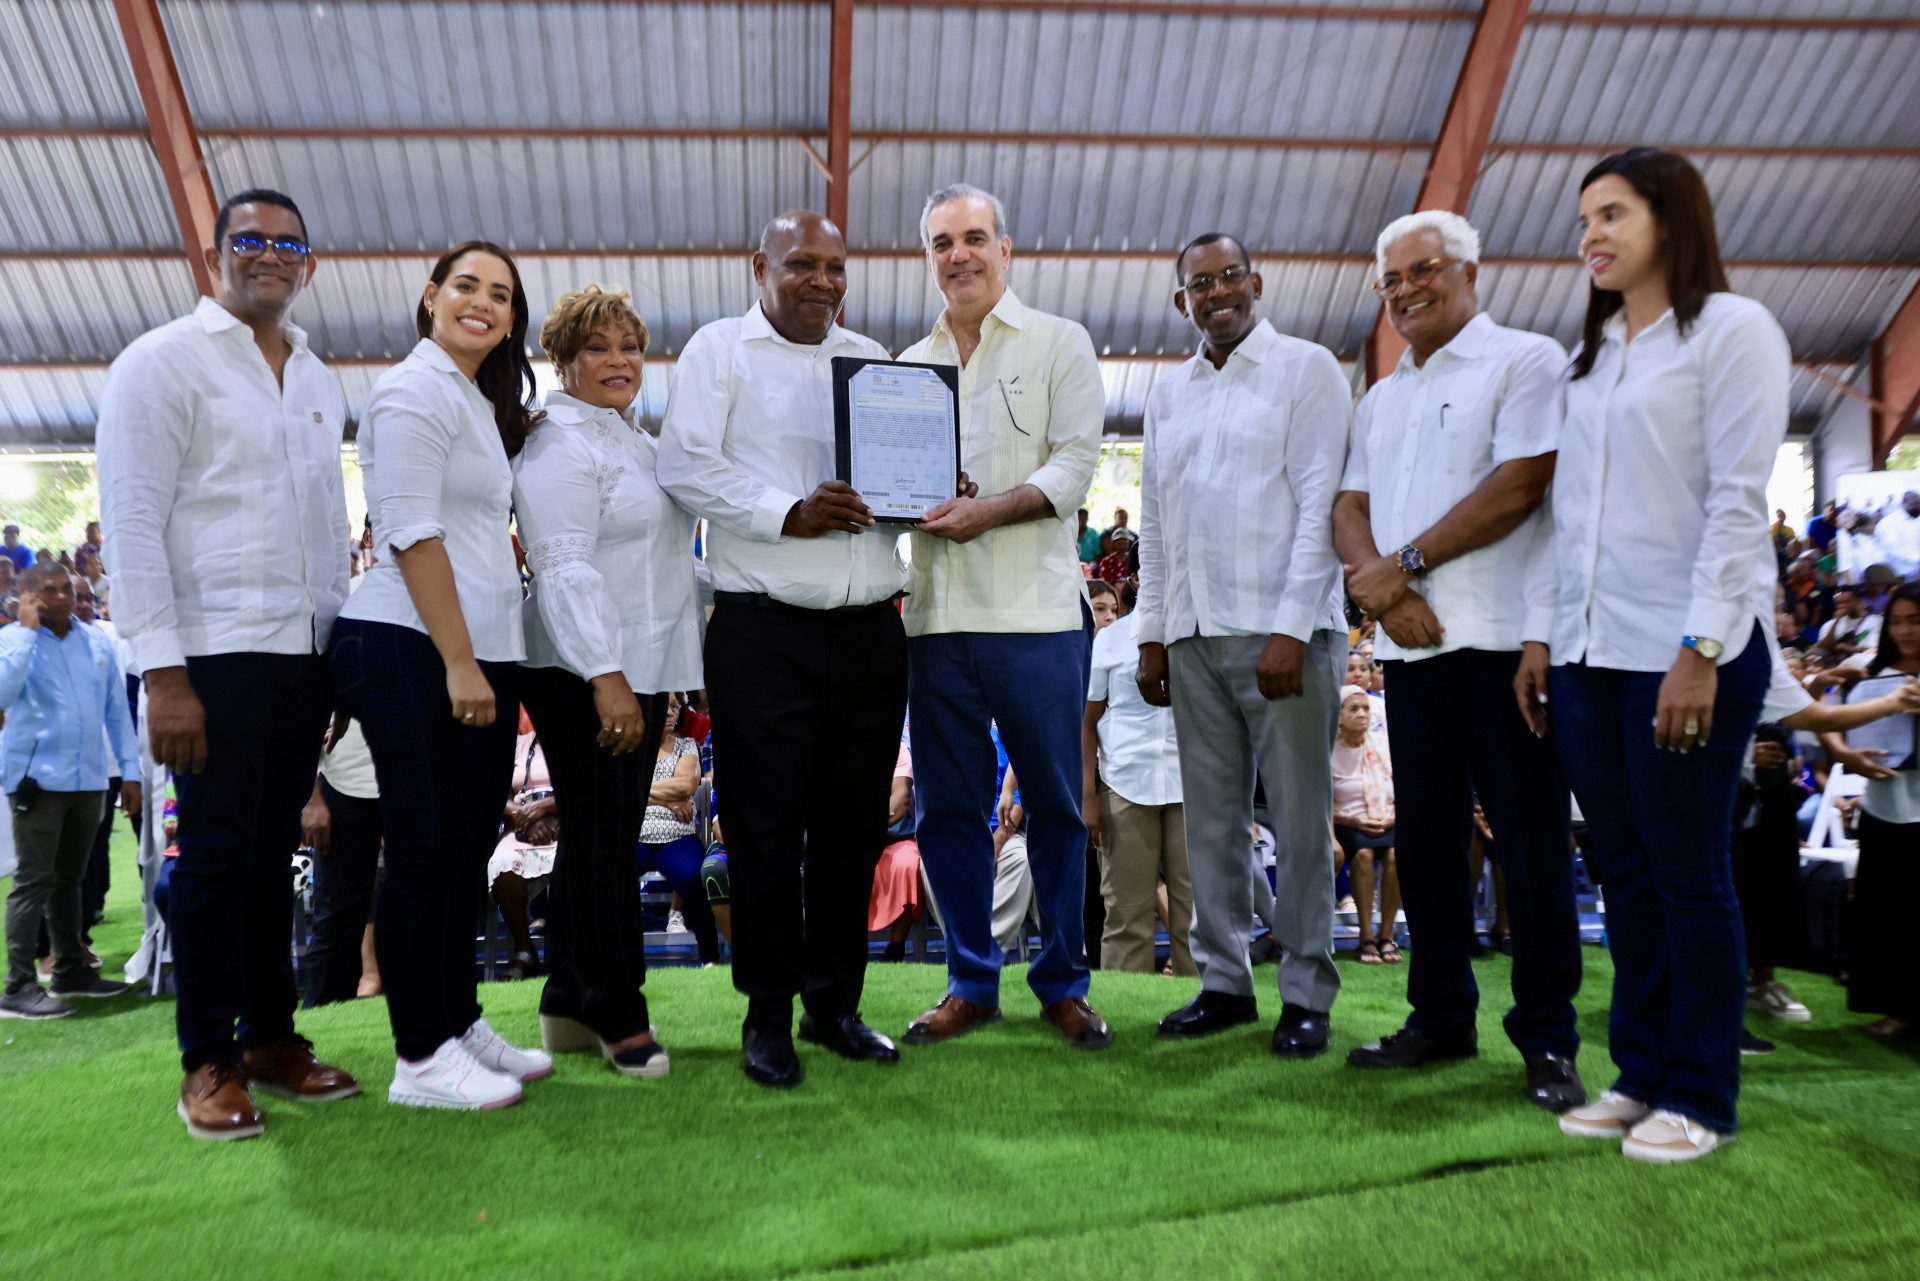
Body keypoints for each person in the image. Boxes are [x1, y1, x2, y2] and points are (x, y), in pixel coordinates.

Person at [1532, 149, 1790, 1163]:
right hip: (1589, 651)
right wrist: (1546, 636)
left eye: (1611, 215)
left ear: (1671, 220)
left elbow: (1737, 501)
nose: (1590, 236)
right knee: (1627, 871)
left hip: (1687, 648)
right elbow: (1569, 516)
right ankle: (1639, 1074)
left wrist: (1701, 647)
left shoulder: (1733, 330)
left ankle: (1702, 1094)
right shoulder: (1594, 356)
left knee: (1689, 872)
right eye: (1583, 220)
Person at [97, 188, 359, 1140]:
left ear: (308, 265)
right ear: (216, 257)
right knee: (211, 860)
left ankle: (271, 1040)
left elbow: (328, 525)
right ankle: (206, 1059)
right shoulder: (161, 362)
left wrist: (333, 654)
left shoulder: (317, 375)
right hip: (208, 658)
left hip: (300, 656)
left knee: (270, 856)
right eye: (249, 239)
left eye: (288, 243)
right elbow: (132, 521)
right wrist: (164, 675)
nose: (269, 254)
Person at [1331, 209, 1585, 1111]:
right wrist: (1384, 591)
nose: (1406, 290)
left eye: (1424, 270)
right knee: (1429, 844)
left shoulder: (1526, 360)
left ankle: (1547, 1037)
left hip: (1506, 644)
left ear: (1470, 272)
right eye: (1391, 279)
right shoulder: (1382, 395)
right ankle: (1440, 1014)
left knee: (1530, 845)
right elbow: (1349, 505)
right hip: (1412, 651)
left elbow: (1521, 485)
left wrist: (1401, 566)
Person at [657, 211, 908, 1088]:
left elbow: (894, 475)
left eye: (836, 265)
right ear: (758, 266)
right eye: (803, 263)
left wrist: (929, 486)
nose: (823, 281)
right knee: (764, 832)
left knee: (853, 831)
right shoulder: (718, 351)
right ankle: (767, 1015)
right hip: (763, 630)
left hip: (872, 628)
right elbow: (684, 465)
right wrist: (786, 512)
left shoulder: (873, 357)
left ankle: (834, 1006)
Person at [331, 240, 553, 1111]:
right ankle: (420, 1054)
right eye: (467, 286)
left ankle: (458, 1020)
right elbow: (412, 533)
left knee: (463, 852)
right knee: (426, 852)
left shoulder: (468, 396)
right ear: (430, 297)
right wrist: (460, 659)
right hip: (414, 643)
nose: (484, 303)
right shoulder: (411, 391)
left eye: (502, 295)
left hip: (474, 647)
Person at [893, 184, 1109, 1051]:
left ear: (1005, 248)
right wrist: (909, 499)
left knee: (1055, 807)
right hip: (936, 618)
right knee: (948, 811)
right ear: (928, 257)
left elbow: (1075, 467)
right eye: (942, 242)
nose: (960, 255)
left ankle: (1062, 983)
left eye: (974, 237)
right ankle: (970, 982)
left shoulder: (1060, 341)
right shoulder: (907, 366)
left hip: (1038, 616)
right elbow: (890, 487)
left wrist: (986, 510)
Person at [1135, 232, 1349, 1058]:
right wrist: (1153, 635)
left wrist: (1292, 626)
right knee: (1212, 826)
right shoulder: (1168, 394)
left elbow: (1322, 505)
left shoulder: (1306, 369)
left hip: (1283, 635)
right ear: (1181, 300)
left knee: (1297, 823)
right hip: (1193, 636)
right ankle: (1224, 982)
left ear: (1256, 283)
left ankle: (1306, 992)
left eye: (1230, 276)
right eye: (1201, 283)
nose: (1217, 291)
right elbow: (1156, 523)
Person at [514, 282, 701, 1079]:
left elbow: (664, 564)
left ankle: (567, 998)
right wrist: (607, 676)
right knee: (603, 843)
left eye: (629, 345)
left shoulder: (635, 440)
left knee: (602, 837)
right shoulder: (557, 443)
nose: (618, 360)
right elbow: (562, 567)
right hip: (582, 667)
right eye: (596, 347)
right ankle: (618, 1009)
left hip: (639, 662)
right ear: (562, 361)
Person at [0, 564, 140, 1019]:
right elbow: (2, 693)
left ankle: (70, 971)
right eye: (50, 591)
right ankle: (18, 987)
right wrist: (26, 632)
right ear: (26, 596)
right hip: (36, 782)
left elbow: (116, 712)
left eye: (69, 590)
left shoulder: (96, 640)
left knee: (70, 880)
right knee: (33, 881)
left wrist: (131, 772)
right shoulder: (11, 641)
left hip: (90, 779)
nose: (63, 597)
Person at [1816, 585, 1920, 1039]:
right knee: (1888, 912)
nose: (1904, 630)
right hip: (1883, 805)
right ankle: (1899, 1008)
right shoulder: (1868, 671)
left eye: (1914, 620)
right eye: (1896, 621)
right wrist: (1845, 754)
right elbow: (1824, 716)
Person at [1084, 587, 1192, 976]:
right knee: (1126, 914)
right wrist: (1087, 796)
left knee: (1196, 913)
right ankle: (1126, 1004)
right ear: (1136, 576)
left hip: (1191, 785)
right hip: (1123, 782)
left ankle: (1202, 1001)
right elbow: (1087, 721)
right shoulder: (1110, 639)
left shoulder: (1196, 632)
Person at [299, 716, 384, 1006]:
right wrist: (310, 799)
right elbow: (296, 721)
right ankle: (323, 1013)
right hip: (343, 786)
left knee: (428, 907)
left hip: (416, 782)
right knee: (337, 916)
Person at [638, 693, 715, 967]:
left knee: (692, 875)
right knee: (610, 873)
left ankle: (710, 959)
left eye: (675, 706)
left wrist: (640, 789)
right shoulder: (633, 748)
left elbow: (686, 785)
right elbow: (617, 790)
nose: (670, 712)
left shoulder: (687, 745)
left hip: (678, 834)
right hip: (635, 833)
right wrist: (669, 802)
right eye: (665, 705)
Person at [1330, 685, 1400, 966]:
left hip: (1387, 817)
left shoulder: (1383, 744)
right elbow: (1323, 803)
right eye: (1354, 709)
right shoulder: (1329, 750)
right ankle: (1366, 935)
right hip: (1346, 821)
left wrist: (1394, 817)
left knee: (1395, 855)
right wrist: (1352, 821)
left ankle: (1387, 934)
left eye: (1366, 709)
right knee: (1363, 854)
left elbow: (1403, 788)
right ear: (1338, 716)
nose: (1363, 714)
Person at [870, 736, 922, 962]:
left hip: (894, 835)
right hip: (848, 837)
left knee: (909, 864)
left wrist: (869, 827)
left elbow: (901, 796)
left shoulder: (898, 749)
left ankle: (895, 949)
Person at [1811, 587, 1879, 659]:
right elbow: (1822, 650)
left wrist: (1848, 649)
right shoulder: (1829, 624)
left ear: (1858, 601)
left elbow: (1875, 650)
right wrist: (1836, 621)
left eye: (1847, 602)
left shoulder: (1876, 621)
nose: (1842, 606)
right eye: (1838, 603)